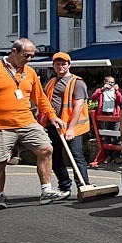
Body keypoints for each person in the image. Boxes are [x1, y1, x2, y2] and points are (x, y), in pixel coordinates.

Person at [0, 38, 69, 209]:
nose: (29, 59)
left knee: (46, 149)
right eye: (26, 55)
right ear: (14, 51)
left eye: (31, 56)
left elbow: (40, 97)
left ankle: (46, 191)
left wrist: (52, 116)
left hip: (26, 121)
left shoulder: (29, 72)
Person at [41, 52, 91, 196]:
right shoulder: (51, 82)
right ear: (53, 66)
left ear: (69, 65)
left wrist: (71, 128)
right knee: (54, 156)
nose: (60, 67)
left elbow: (78, 106)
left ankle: (83, 185)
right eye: (57, 64)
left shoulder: (77, 82)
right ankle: (64, 185)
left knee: (76, 155)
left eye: (63, 64)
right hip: (54, 125)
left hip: (72, 127)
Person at [90, 74, 122, 163]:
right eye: (108, 82)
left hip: (114, 115)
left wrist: (117, 91)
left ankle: (116, 156)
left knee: (116, 136)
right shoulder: (100, 90)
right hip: (104, 115)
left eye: (112, 82)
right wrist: (102, 89)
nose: (110, 84)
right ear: (104, 82)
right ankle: (108, 156)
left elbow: (121, 100)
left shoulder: (117, 90)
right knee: (106, 136)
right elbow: (93, 97)